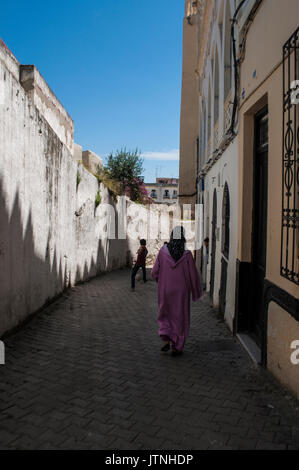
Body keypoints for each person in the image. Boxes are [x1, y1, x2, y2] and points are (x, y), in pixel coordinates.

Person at [151, 226, 202, 356]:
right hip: (181, 292)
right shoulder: (187, 255)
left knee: (165, 313)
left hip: (165, 290)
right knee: (180, 317)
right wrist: (196, 292)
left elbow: (154, 272)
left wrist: (161, 280)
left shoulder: (163, 252)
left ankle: (166, 339)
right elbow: (193, 276)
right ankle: (177, 347)